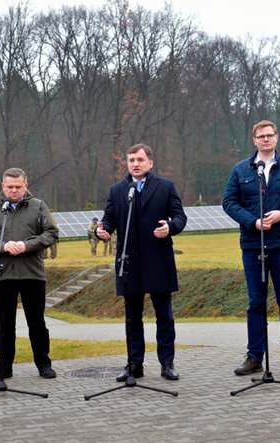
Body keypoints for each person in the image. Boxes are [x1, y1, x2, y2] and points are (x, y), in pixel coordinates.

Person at [222, 120, 280, 376]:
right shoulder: (241, 169)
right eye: (260, 136)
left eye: (269, 135)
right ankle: (254, 357)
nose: (265, 139)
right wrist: (252, 221)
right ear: (254, 140)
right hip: (253, 246)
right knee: (255, 303)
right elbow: (228, 202)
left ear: (277, 137)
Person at [97, 143, 187, 381]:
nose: (135, 164)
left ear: (150, 163)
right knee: (132, 317)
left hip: (158, 259)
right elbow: (109, 218)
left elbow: (180, 217)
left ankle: (167, 363)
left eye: (139, 159)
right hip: (130, 263)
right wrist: (102, 230)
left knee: (164, 316)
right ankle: (134, 363)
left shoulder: (165, 187)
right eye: (131, 160)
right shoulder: (118, 190)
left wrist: (170, 227)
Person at [0, 167, 58, 380]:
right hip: (3, 276)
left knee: (37, 322)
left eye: (18, 187)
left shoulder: (38, 207)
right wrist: (2, 246)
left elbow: (52, 233)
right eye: (9, 187)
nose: (13, 190)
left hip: (32, 274)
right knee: (5, 324)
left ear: (25, 186)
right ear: (3, 186)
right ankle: (4, 368)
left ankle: (44, 365)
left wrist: (26, 245)